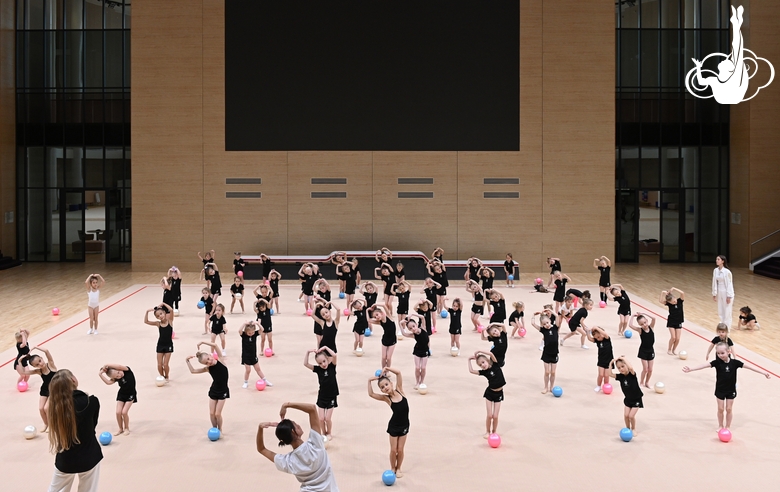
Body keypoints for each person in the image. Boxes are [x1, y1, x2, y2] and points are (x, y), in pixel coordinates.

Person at [683, 342, 770, 431]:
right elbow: (704, 365)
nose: (720, 355)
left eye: (722, 353)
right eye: (718, 353)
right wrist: (691, 369)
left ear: (729, 352)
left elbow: (750, 367)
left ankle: (728, 426)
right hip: (720, 390)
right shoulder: (717, 363)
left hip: (730, 390)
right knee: (720, 409)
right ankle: (720, 425)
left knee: (729, 409)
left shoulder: (735, 363)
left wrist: (763, 373)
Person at [256, 402, 339, 492]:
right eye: (295, 424)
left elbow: (261, 449)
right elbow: (311, 408)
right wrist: (287, 405)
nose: (299, 425)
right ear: (293, 431)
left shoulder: (288, 461)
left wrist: (260, 428)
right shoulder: (315, 444)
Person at [46, 369, 102, 492]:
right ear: (73, 380)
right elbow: (93, 425)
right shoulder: (91, 401)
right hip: (89, 456)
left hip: (65, 458)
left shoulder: (54, 408)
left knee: (55, 489)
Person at [368, 367, 409, 478]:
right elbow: (371, 394)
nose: (385, 388)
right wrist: (369, 381)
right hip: (394, 426)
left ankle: (399, 468)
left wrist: (387, 368)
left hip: (405, 425)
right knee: (393, 450)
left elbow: (399, 373)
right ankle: (392, 467)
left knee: (400, 450)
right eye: (382, 387)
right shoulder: (387, 399)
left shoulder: (399, 389)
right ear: (381, 390)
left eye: (386, 384)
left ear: (391, 383)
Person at [186, 342, 229, 432]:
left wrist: (203, 342)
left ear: (211, 355)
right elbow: (193, 371)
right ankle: (214, 429)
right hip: (214, 391)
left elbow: (215, 345)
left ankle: (220, 430)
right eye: (207, 362)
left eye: (209, 359)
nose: (209, 362)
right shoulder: (208, 369)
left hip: (223, 391)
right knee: (211, 413)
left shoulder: (220, 359)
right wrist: (187, 361)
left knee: (217, 414)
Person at [18, 346, 58, 432]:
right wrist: (19, 361)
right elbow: (23, 372)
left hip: (54, 389)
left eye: (40, 361)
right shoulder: (38, 371)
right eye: (37, 365)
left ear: (42, 358)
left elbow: (47, 350)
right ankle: (46, 424)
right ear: (35, 367)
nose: (40, 364)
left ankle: (51, 425)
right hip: (45, 389)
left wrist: (35, 347)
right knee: (41, 408)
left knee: (46, 408)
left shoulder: (51, 364)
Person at [304, 347, 339, 441]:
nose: (323, 364)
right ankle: (323, 433)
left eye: (324, 361)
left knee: (327, 419)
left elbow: (334, 355)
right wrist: (308, 352)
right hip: (322, 396)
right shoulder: (318, 369)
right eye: (320, 363)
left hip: (332, 396)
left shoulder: (332, 366)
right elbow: (306, 364)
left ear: (327, 359)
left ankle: (329, 433)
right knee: (321, 418)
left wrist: (324, 348)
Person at [468, 351, 505, 439]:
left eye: (483, 362)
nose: (482, 365)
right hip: (489, 393)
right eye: (480, 365)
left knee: (495, 416)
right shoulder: (485, 372)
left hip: (499, 393)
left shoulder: (496, 365)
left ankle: (494, 431)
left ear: (487, 361)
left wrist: (480, 351)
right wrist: (469, 360)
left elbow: (491, 354)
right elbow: (471, 371)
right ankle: (487, 431)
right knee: (489, 415)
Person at [98, 364, 137, 436]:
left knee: (124, 412)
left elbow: (118, 366)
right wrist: (100, 374)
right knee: (118, 412)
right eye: (117, 377)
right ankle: (120, 428)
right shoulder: (116, 377)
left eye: (118, 373)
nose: (119, 376)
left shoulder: (127, 370)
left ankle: (126, 428)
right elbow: (108, 382)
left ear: (119, 369)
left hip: (130, 394)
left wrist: (107, 365)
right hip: (122, 394)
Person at [611, 356, 643, 438]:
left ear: (626, 365)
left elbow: (631, 368)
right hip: (628, 399)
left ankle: (633, 428)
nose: (621, 369)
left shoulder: (632, 374)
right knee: (626, 415)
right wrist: (610, 363)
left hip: (636, 399)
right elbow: (609, 374)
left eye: (622, 366)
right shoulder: (621, 377)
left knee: (631, 416)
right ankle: (627, 428)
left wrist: (623, 358)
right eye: (619, 368)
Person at [144, 303, 174, 381]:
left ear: (164, 313)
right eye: (158, 316)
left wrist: (163, 303)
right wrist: (147, 312)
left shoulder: (170, 321)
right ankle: (162, 376)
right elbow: (146, 321)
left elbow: (171, 310)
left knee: (165, 364)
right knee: (159, 364)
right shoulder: (158, 324)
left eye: (161, 313)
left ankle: (167, 376)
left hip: (168, 345)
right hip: (160, 345)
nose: (160, 316)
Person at [239, 321, 272, 389]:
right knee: (248, 370)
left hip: (253, 355)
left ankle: (265, 380)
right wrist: (244, 323)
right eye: (249, 333)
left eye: (252, 332)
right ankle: (245, 382)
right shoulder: (244, 335)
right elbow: (239, 330)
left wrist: (257, 323)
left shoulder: (255, 334)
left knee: (258, 369)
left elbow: (262, 329)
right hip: (246, 356)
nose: (251, 334)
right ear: (246, 332)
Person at [400, 315, 429, 390]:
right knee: (417, 367)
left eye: (413, 326)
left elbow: (422, 317)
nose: (413, 329)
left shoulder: (423, 328)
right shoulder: (413, 335)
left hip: (425, 351)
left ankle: (422, 382)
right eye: (410, 328)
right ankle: (417, 382)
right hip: (417, 351)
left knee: (423, 368)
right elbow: (404, 334)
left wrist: (412, 315)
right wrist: (400, 324)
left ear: (416, 324)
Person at [532, 314, 559, 394]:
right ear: (542, 325)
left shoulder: (555, 327)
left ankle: (552, 387)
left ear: (550, 321)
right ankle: (546, 387)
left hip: (554, 354)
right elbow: (533, 324)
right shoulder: (543, 330)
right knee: (547, 372)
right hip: (546, 354)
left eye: (547, 322)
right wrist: (533, 315)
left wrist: (551, 311)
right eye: (544, 324)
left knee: (553, 372)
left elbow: (557, 317)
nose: (546, 325)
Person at [630, 313, 656, 389]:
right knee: (645, 369)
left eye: (645, 322)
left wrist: (643, 314)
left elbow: (654, 318)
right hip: (643, 351)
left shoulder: (651, 327)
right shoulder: (640, 330)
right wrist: (632, 316)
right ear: (639, 325)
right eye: (641, 324)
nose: (644, 325)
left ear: (647, 321)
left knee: (650, 370)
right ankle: (641, 382)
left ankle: (647, 382)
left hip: (651, 351)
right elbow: (631, 325)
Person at [586, 326, 613, 392]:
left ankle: (606, 385)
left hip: (609, 360)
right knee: (601, 374)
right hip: (601, 360)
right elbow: (590, 339)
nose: (598, 339)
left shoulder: (607, 338)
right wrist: (587, 332)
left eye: (598, 337)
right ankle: (598, 386)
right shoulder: (597, 341)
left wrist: (595, 327)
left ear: (602, 334)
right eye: (596, 338)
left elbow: (604, 333)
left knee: (606, 375)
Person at [712, 255, 735, 328]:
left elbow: (729, 284)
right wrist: (714, 293)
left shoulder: (727, 272)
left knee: (727, 310)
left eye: (718, 259)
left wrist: (729, 296)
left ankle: (727, 327)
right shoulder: (715, 270)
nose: (716, 260)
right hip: (720, 291)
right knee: (720, 309)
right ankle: (722, 324)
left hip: (726, 292)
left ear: (723, 261)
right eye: (716, 259)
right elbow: (714, 282)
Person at [660, 287, 685, 355]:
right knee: (673, 337)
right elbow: (661, 301)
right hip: (671, 321)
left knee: (678, 338)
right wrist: (662, 293)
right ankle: (669, 349)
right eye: (672, 302)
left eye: (674, 300)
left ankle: (674, 349)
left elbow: (682, 293)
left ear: (675, 298)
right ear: (669, 302)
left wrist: (674, 289)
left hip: (679, 321)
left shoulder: (680, 301)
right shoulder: (669, 304)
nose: (674, 302)